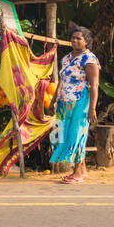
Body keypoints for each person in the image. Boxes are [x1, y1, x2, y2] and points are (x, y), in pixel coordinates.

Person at [47, 27, 99, 184]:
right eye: (73, 37)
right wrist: (53, 99)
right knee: (62, 133)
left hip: (80, 101)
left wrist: (92, 108)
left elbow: (95, 85)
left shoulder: (89, 59)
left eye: (79, 38)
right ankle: (82, 170)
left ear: (86, 41)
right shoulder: (67, 58)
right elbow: (62, 80)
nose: (75, 40)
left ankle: (76, 172)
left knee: (77, 134)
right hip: (64, 102)